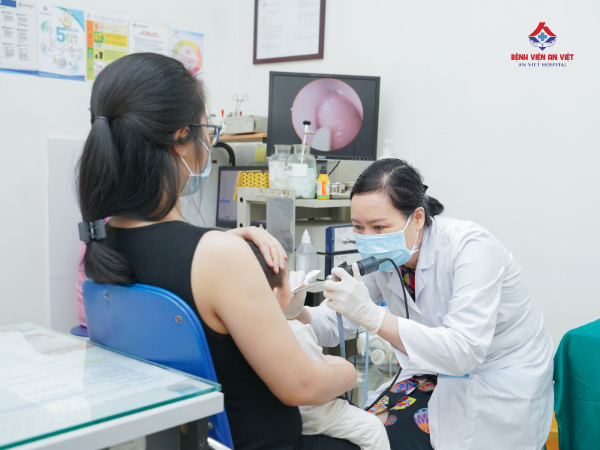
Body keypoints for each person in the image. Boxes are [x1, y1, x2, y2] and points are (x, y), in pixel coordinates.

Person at [77, 53, 358, 450]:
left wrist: (220, 244)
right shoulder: (217, 257)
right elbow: (301, 385)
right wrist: (345, 369)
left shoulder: (102, 241)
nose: (208, 142)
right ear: (181, 137)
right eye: (207, 129)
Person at [286, 159, 554, 450]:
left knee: (385, 439)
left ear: (416, 217)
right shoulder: (388, 258)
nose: (367, 239)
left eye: (379, 226)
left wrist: (373, 316)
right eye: (358, 227)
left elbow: (463, 352)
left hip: (493, 379)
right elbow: (333, 325)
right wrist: (297, 312)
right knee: (363, 433)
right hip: (433, 371)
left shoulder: (472, 248)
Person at [247, 242, 390, 450]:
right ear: (278, 291)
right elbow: (320, 383)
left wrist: (296, 313)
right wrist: (341, 367)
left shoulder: (240, 328)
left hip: (268, 415)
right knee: (373, 428)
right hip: (308, 413)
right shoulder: (295, 332)